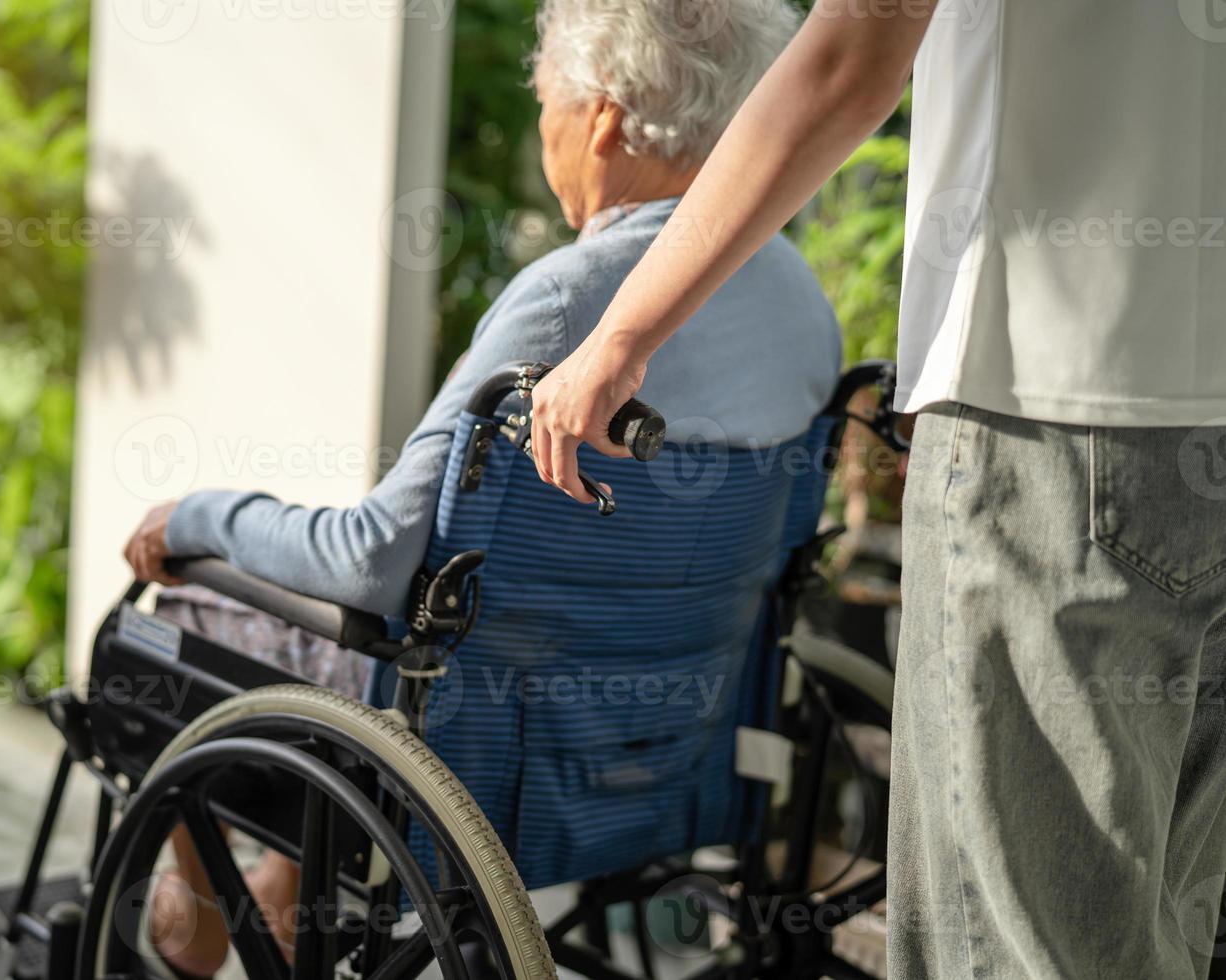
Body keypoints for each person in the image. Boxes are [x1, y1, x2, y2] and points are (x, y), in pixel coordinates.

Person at [123, 0, 840, 973]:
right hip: (667, 752)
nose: (547, 127)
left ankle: (198, 925)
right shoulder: (804, 306)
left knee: (173, 617)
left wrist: (200, 514)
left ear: (604, 120)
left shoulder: (570, 300)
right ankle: (286, 895)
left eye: (548, 102)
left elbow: (371, 561)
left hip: (483, 762)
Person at [528, 0, 1226, 976]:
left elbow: (851, 56)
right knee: (1158, 939)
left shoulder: (560, 292)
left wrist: (620, 333)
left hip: (1051, 404)